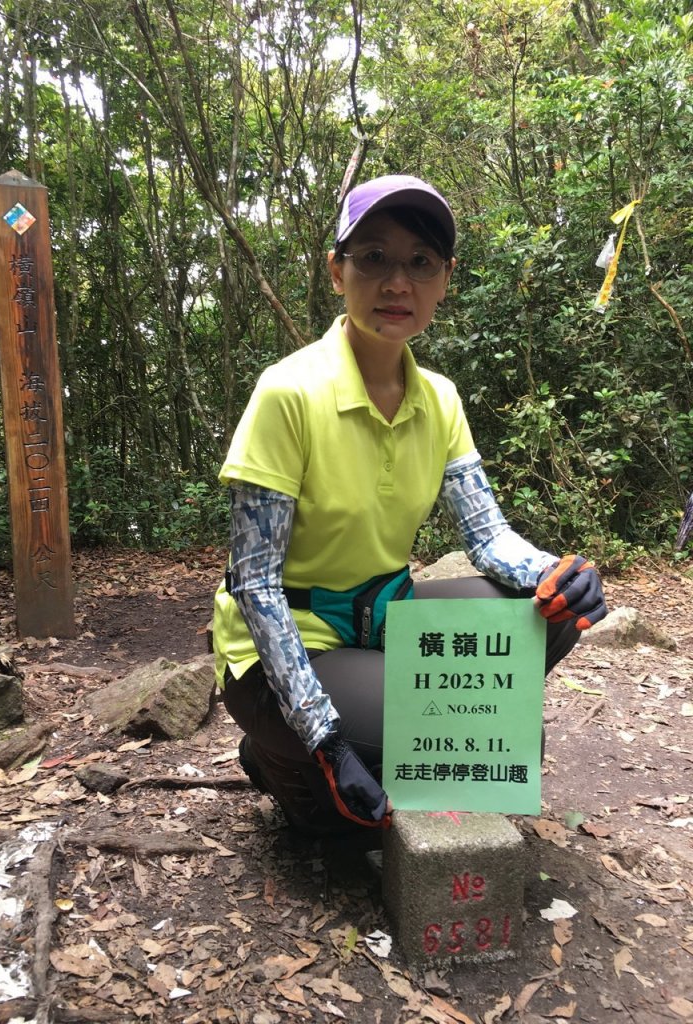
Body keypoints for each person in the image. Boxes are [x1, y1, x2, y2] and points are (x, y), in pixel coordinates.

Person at [212, 174, 607, 837]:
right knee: (385, 793)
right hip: (290, 647)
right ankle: (280, 755)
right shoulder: (288, 394)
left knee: (550, 614)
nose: (398, 283)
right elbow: (255, 585)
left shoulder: (441, 398)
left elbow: (487, 536)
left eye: (420, 262)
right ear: (337, 271)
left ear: (445, 278)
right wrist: (324, 736)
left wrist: (557, 571)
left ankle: (365, 725)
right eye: (374, 258)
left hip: (386, 616)